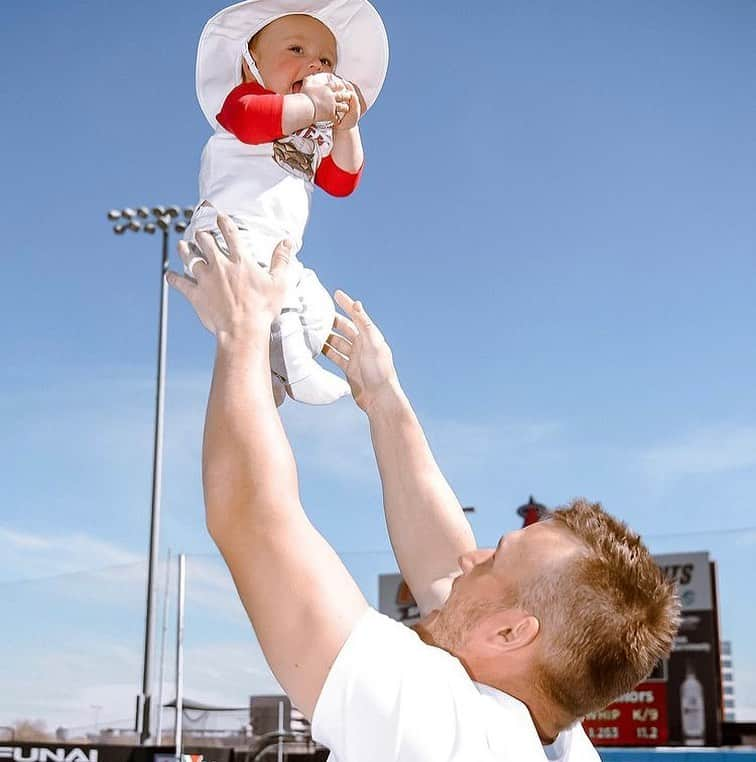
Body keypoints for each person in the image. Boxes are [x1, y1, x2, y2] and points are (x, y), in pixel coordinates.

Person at [167, 218, 681, 761]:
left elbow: (252, 521)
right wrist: (382, 395)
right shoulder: (554, 738)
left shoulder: (439, 731)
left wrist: (242, 329)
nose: (470, 555)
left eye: (493, 560)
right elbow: (442, 569)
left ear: (510, 635)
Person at [185, 0, 389, 406]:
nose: (315, 65)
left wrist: (346, 129)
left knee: (311, 300)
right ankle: (293, 365)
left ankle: (272, 376)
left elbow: (341, 180)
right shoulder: (245, 101)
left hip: (278, 249)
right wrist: (313, 107)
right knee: (278, 302)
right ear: (250, 66)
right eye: (297, 50)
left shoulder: (311, 136)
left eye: (327, 60)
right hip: (231, 233)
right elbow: (249, 120)